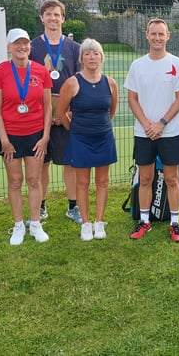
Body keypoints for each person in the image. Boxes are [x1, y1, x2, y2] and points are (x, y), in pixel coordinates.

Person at [124, 18, 179, 242]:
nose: (157, 38)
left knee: (172, 179)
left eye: (161, 34)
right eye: (153, 33)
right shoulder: (137, 65)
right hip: (144, 133)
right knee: (145, 178)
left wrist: (161, 123)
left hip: (169, 132)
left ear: (168, 36)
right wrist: (147, 125)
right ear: (147, 35)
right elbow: (132, 98)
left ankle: (174, 223)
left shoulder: (177, 64)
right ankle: (144, 221)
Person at [0, 28, 52, 245]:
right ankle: (18, 226)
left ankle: (35, 223)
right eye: (17, 43)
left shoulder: (41, 71)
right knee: (15, 181)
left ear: (30, 46)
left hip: (35, 134)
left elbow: (47, 106)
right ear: (9, 47)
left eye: (25, 43)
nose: (22, 47)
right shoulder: (0, 71)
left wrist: (45, 137)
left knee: (34, 180)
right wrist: (4, 140)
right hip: (11, 136)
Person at [58, 39, 118, 241]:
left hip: (104, 138)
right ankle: (85, 224)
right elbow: (61, 112)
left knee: (102, 182)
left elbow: (111, 111)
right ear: (81, 58)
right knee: (82, 183)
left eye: (96, 53)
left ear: (102, 57)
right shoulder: (72, 83)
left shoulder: (110, 83)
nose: (92, 57)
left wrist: (98, 127)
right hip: (80, 140)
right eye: (87, 54)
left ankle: (99, 222)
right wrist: (75, 130)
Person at [29, 0, 82, 224]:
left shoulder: (75, 48)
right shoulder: (31, 46)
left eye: (57, 14)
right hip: (40, 115)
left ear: (63, 18)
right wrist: (44, 113)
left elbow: (81, 82)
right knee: (42, 162)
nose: (53, 18)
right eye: (48, 14)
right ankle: (40, 207)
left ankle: (73, 206)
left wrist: (68, 112)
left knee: (70, 162)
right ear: (42, 18)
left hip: (67, 115)